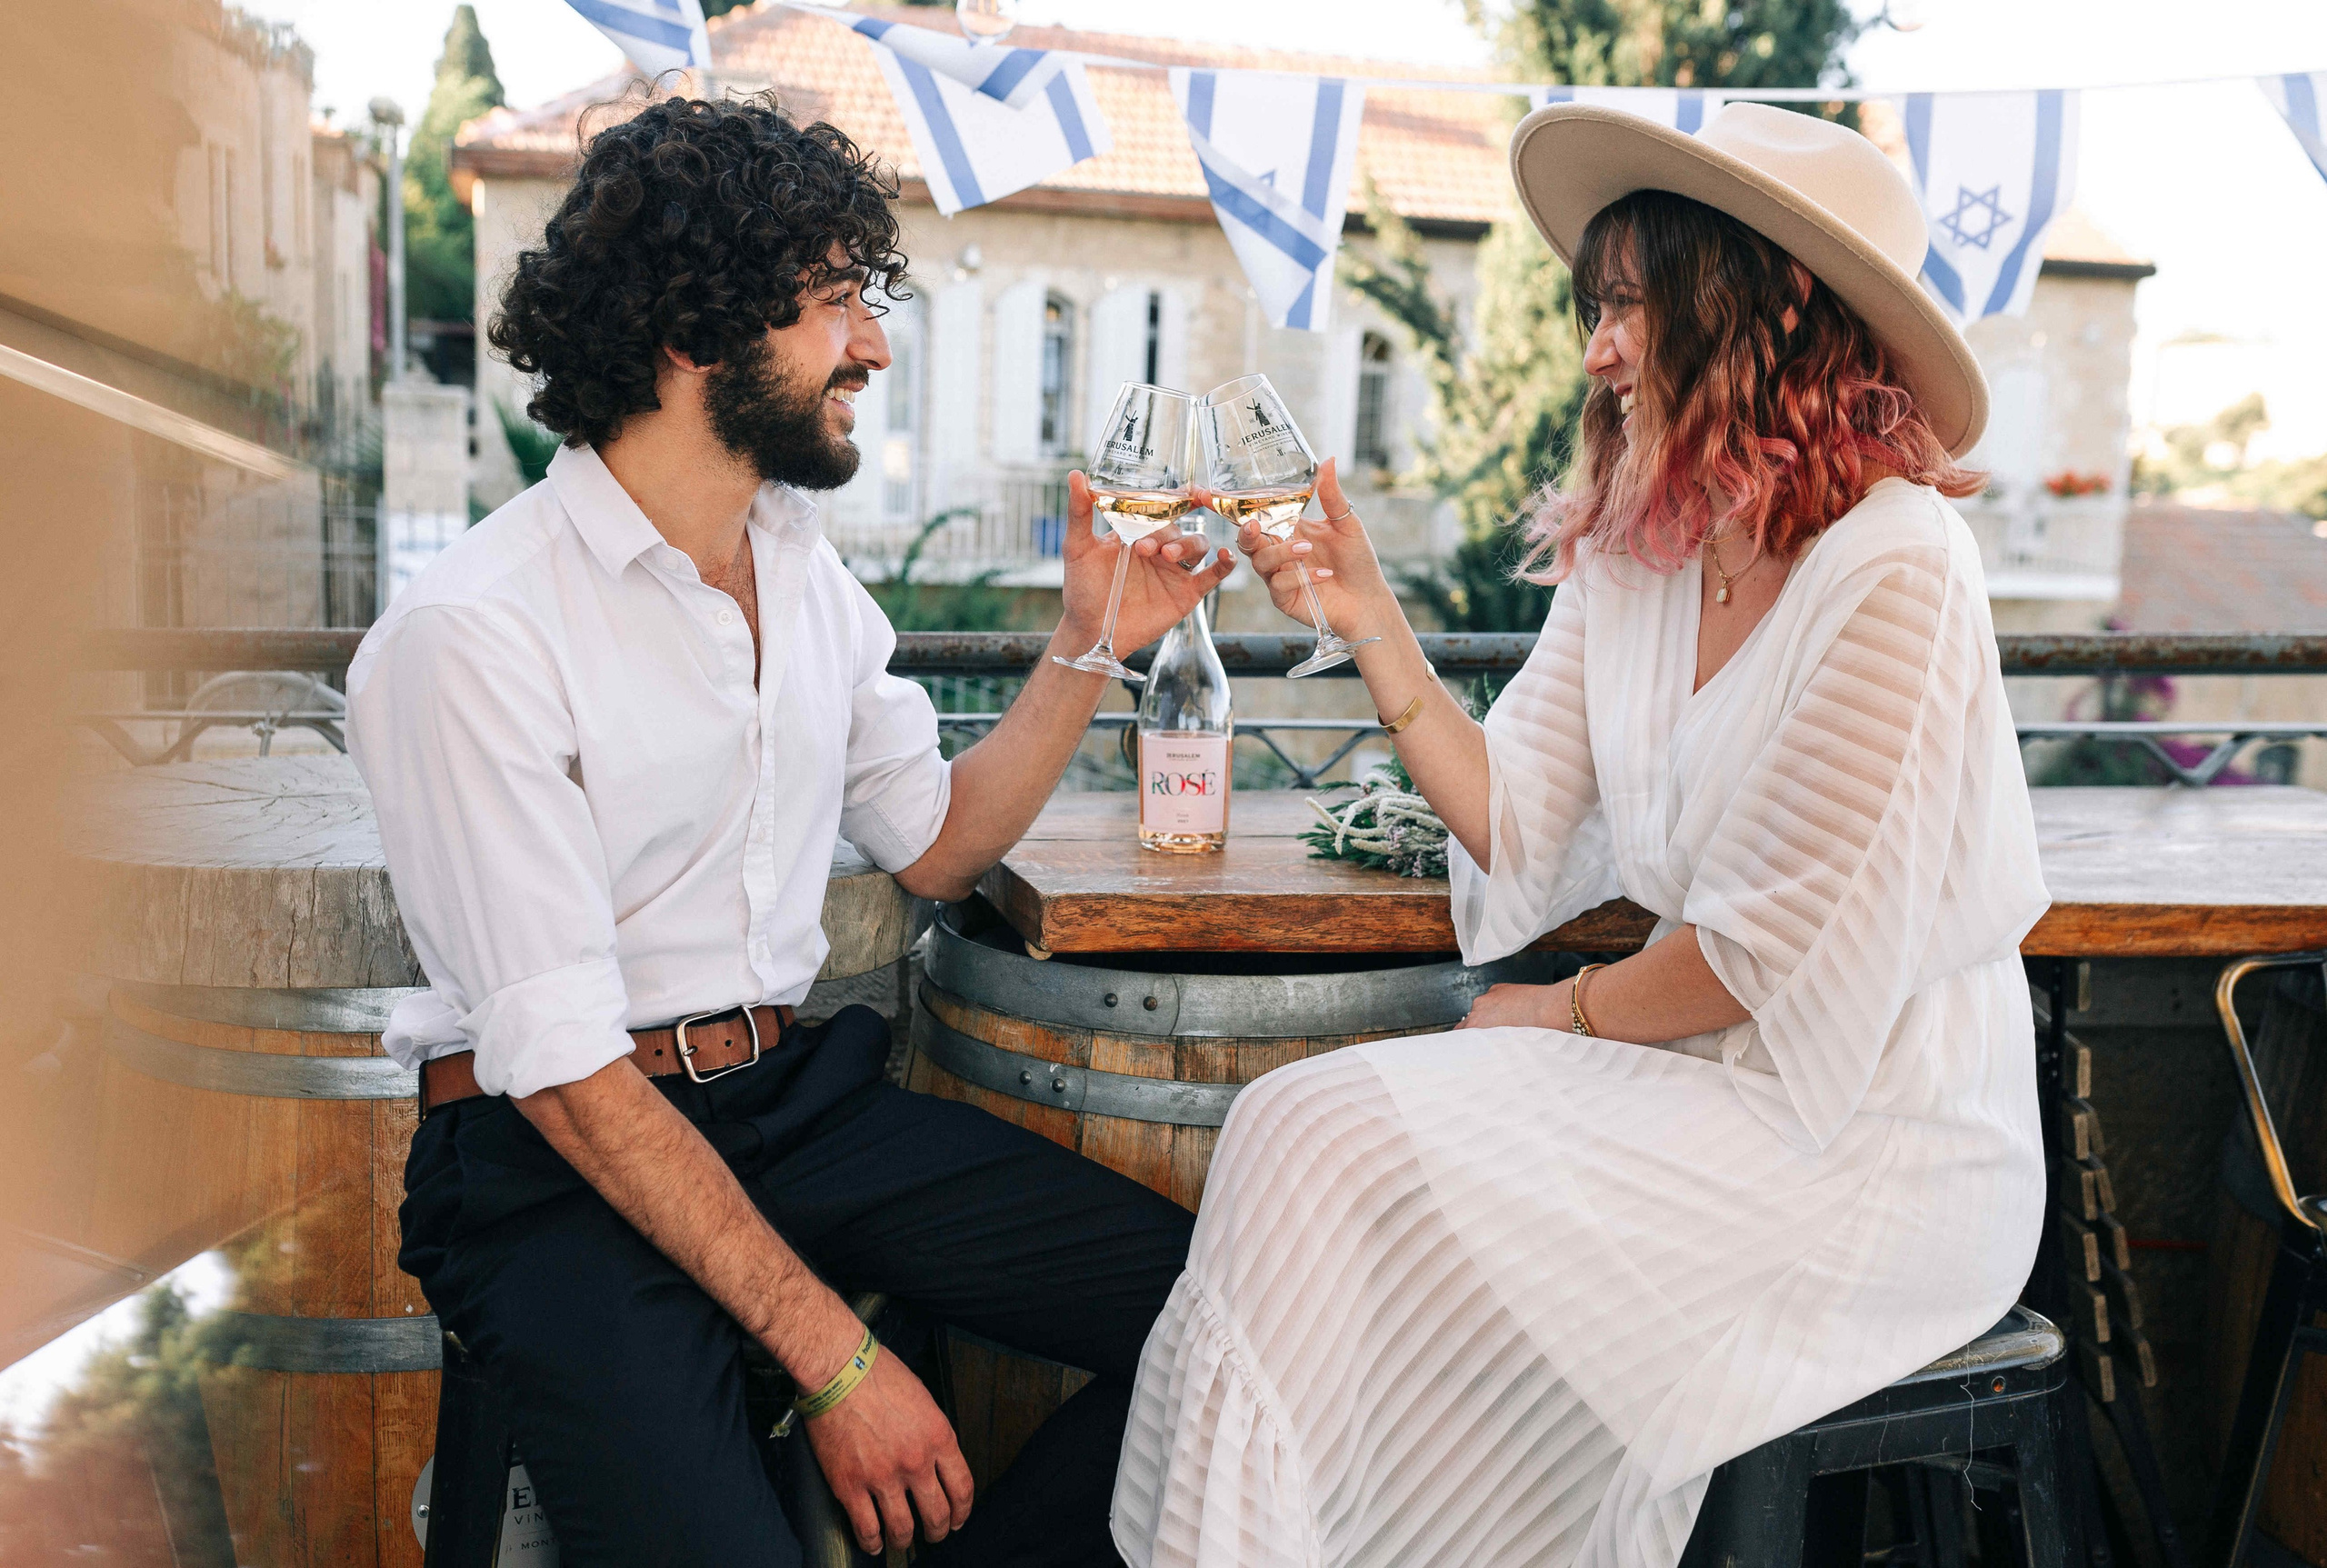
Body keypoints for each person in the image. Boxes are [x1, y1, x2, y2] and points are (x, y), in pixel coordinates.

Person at [1113, 102, 2051, 1568]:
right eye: (1594, 307)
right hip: (1692, 1083)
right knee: (1310, 1150)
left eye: (1625, 304)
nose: (1597, 348)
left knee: (1311, 1132)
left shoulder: (1900, 566)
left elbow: (1759, 955)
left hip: (1872, 1141)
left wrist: (1554, 1011)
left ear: (1755, 308)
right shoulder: (1648, 543)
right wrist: (1373, 627)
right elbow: (1520, 816)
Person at [346, 95, 1232, 1568]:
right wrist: (836, 1363)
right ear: (694, 337)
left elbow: (936, 842)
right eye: (834, 306)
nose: (872, 350)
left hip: (788, 1108)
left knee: (1231, 1327)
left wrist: (1086, 639)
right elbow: (563, 1075)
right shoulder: (471, 635)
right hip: (549, 1164)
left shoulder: (800, 568)